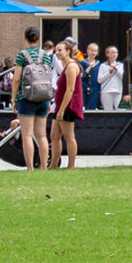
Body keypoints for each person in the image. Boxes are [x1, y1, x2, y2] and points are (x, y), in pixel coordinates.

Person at [12, 25, 55, 171]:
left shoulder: (22, 55)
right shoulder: (46, 55)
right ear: (38, 39)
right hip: (43, 97)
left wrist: (13, 98)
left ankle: (30, 167)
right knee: (42, 135)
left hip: (26, 97)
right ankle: (44, 166)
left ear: (25, 38)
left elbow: (16, 78)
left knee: (27, 135)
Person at [50, 38, 83, 169]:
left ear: (68, 51)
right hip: (59, 106)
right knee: (54, 136)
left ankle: (71, 165)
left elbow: (70, 90)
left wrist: (62, 110)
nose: (57, 53)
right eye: (56, 50)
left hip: (68, 106)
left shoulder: (71, 66)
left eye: (60, 50)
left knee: (69, 136)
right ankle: (53, 165)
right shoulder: (64, 66)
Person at [101, 45, 126, 110]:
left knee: (120, 109)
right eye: (112, 52)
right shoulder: (103, 65)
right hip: (106, 91)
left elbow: (124, 78)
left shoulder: (121, 65)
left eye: (116, 52)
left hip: (118, 91)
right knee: (108, 110)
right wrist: (109, 72)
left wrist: (116, 70)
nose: (114, 54)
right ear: (107, 54)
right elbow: (99, 80)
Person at [83, 42, 103, 110]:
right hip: (85, 88)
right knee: (85, 107)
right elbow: (81, 75)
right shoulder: (82, 62)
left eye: (95, 51)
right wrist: (89, 67)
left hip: (95, 88)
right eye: (92, 50)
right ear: (87, 51)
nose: (93, 53)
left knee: (93, 107)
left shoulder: (99, 63)